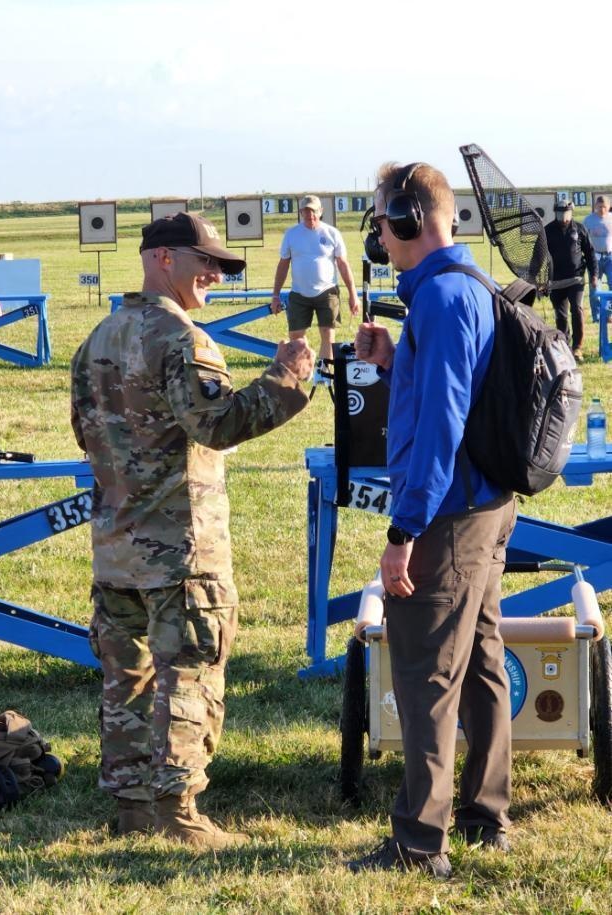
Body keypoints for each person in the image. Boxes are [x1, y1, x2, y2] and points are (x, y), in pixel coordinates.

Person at [71, 212, 314, 848]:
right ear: (161, 260)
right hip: (181, 546)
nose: (212, 274)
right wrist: (289, 377)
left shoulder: (97, 337)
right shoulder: (183, 339)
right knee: (189, 673)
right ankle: (177, 812)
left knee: (127, 677)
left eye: (220, 266)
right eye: (202, 261)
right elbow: (220, 425)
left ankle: (130, 807)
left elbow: (87, 435)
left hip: (116, 545)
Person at [348, 162, 517, 879]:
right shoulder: (462, 288)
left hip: (447, 514)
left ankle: (421, 842)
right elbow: (451, 395)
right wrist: (394, 363)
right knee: (480, 663)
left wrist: (402, 532)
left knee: (426, 676)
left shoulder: (442, 299)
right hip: (484, 506)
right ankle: (485, 813)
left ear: (412, 219)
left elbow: (442, 427)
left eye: (383, 223)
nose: (380, 238)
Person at [270, 194, 359, 382]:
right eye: (306, 211)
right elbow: (283, 265)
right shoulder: (292, 234)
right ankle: (300, 371)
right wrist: (275, 295)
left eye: (313, 211)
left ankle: (324, 374)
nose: (310, 215)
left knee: (328, 334)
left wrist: (353, 294)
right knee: (296, 337)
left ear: (320, 211)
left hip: (327, 291)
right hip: (299, 293)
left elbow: (343, 264)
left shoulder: (332, 233)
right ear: (301, 212)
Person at [544, 199, 597, 361]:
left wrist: (593, 274)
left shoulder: (579, 229)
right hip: (556, 280)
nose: (563, 216)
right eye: (560, 213)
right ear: (556, 213)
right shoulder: (547, 231)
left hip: (576, 278)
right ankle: (564, 345)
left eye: (566, 213)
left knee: (577, 309)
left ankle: (577, 347)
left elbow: (590, 253)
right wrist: (539, 280)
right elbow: (539, 257)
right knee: (561, 315)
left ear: (571, 213)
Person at [583, 194, 612, 322]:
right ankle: (597, 317)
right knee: (595, 288)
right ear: (595, 206)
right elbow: (582, 239)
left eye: (604, 207)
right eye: (599, 207)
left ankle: (610, 314)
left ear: (609, 206)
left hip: (610, 257)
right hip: (595, 258)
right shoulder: (588, 220)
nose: (602, 209)